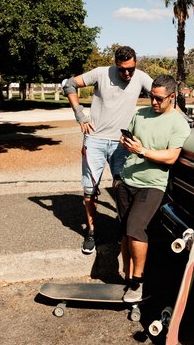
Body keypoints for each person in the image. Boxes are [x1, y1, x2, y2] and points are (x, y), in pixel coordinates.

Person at [63, 46, 153, 254]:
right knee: (90, 190)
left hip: (121, 143)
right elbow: (69, 84)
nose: (127, 74)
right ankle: (92, 233)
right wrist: (79, 115)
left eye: (131, 68)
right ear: (115, 64)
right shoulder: (101, 73)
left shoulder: (140, 77)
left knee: (123, 189)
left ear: (135, 63)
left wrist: (183, 120)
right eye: (122, 70)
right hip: (94, 141)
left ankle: (124, 231)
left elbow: (162, 94)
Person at [115, 74, 191, 303]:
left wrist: (142, 151)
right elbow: (128, 140)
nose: (154, 102)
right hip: (126, 181)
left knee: (136, 229)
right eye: (151, 97)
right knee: (125, 233)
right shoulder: (140, 114)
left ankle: (137, 282)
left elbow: (171, 157)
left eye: (159, 98)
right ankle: (128, 278)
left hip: (152, 184)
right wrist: (126, 143)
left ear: (172, 96)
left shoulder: (178, 123)